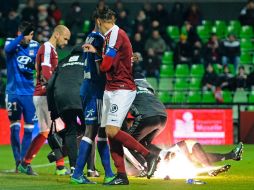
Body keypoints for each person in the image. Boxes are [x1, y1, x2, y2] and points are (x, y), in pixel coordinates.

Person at [84, 7, 160, 185]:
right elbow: (115, 61)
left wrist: (96, 56)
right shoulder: (110, 37)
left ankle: (149, 156)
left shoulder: (115, 34)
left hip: (122, 89)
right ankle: (121, 175)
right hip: (111, 88)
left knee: (112, 130)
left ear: (98, 22)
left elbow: (105, 66)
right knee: (111, 133)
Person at [18, 25, 71, 175]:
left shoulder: (49, 49)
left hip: (42, 94)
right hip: (44, 94)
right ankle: (60, 167)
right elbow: (46, 71)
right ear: (57, 34)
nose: (66, 42)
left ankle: (26, 163)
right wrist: (55, 89)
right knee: (57, 130)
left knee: (47, 131)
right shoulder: (47, 48)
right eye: (65, 38)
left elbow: (40, 69)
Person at [70, 23, 115, 184]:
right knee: (94, 131)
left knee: (97, 131)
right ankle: (79, 174)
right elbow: (99, 70)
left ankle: (108, 173)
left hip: (87, 88)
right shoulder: (99, 38)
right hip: (95, 90)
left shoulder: (90, 36)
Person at [4, 21, 39, 172]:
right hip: (13, 93)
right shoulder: (11, 43)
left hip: (29, 94)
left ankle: (25, 163)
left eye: (32, 35)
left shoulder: (35, 45)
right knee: (14, 128)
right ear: (20, 33)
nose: (30, 38)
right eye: (28, 35)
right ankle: (17, 162)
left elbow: (39, 63)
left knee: (30, 129)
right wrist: (21, 36)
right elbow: (8, 49)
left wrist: (35, 66)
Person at [46, 45, 85, 174]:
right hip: (81, 96)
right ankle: (91, 169)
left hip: (62, 98)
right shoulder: (87, 59)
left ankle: (74, 168)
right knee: (89, 131)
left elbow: (50, 86)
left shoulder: (63, 62)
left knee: (70, 131)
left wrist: (53, 111)